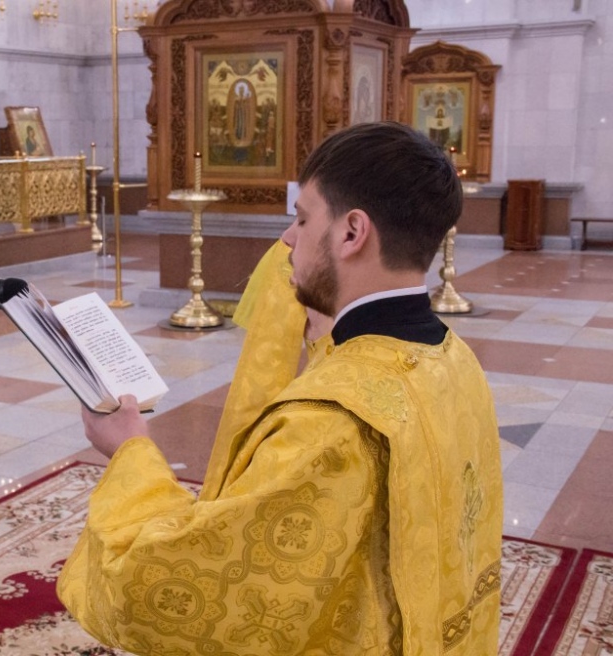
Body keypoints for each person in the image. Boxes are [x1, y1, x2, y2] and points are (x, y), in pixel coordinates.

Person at [57, 121, 503, 654]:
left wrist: (130, 450)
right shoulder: (455, 360)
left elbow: (173, 589)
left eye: (302, 218)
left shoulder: (331, 422)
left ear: (351, 232)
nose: (289, 238)